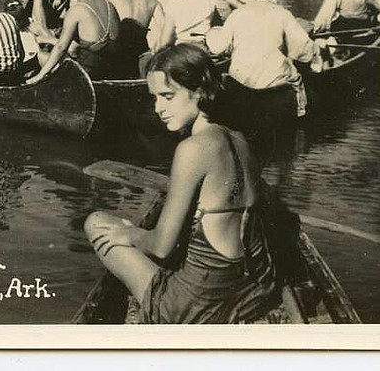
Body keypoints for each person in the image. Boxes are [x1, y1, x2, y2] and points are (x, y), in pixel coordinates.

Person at [83, 44, 277, 324]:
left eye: (168, 96)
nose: (158, 108)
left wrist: (131, 234)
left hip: (197, 304)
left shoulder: (193, 149)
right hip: (251, 291)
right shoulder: (240, 140)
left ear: (199, 90)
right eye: (155, 98)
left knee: (96, 221)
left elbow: (161, 246)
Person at [205, 0, 325, 164]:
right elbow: (302, 50)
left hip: (240, 84)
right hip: (273, 86)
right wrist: (317, 50)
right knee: (297, 78)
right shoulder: (283, 14)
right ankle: (298, 129)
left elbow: (219, 47)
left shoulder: (237, 14)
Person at [26, 0, 120, 82]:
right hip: (111, 67)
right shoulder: (109, 4)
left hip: (90, 71)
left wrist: (40, 76)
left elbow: (61, 47)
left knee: (42, 56)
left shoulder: (77, 9)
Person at [107, 0, 166, 78]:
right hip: (141, 50)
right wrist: (156, 49)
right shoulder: (153, 1)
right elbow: (165, 30)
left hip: (118, 51)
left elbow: (105, 25)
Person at [4, 0, 43, 79]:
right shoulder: (7, 30)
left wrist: (40, 40)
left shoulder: (32, 27)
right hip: (21, 63)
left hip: (30, 61)